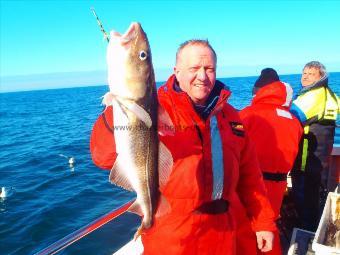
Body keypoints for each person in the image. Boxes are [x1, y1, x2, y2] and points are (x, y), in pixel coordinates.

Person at [90, 40, 276, 255]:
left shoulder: (231, 116)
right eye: (194, 69)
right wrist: (121, 108)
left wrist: (263, 223)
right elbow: (102, 157)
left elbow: (250, 176)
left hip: (223, 234)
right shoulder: (153, 108)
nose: (203, 77)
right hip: (172, 237)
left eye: (209, 69)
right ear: (176, 72)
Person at [234, 68, 303, 255]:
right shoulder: (294, 121)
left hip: (252, 185)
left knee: (247, 230)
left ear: (258, 91)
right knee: (269, 225)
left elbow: (232, 150)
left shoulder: (246, 115)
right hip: (278, 187)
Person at [290, 61, 339, 231]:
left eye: (311, 74)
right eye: (304, 73)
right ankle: (314, 228)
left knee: (303, 197)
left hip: (306, 159)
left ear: (321, 77)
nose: (305, 76)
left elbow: (290, 117)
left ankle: (304, 232)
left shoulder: (312, 96)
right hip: (321, 159)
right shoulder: (330, 95)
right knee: (315, 195)